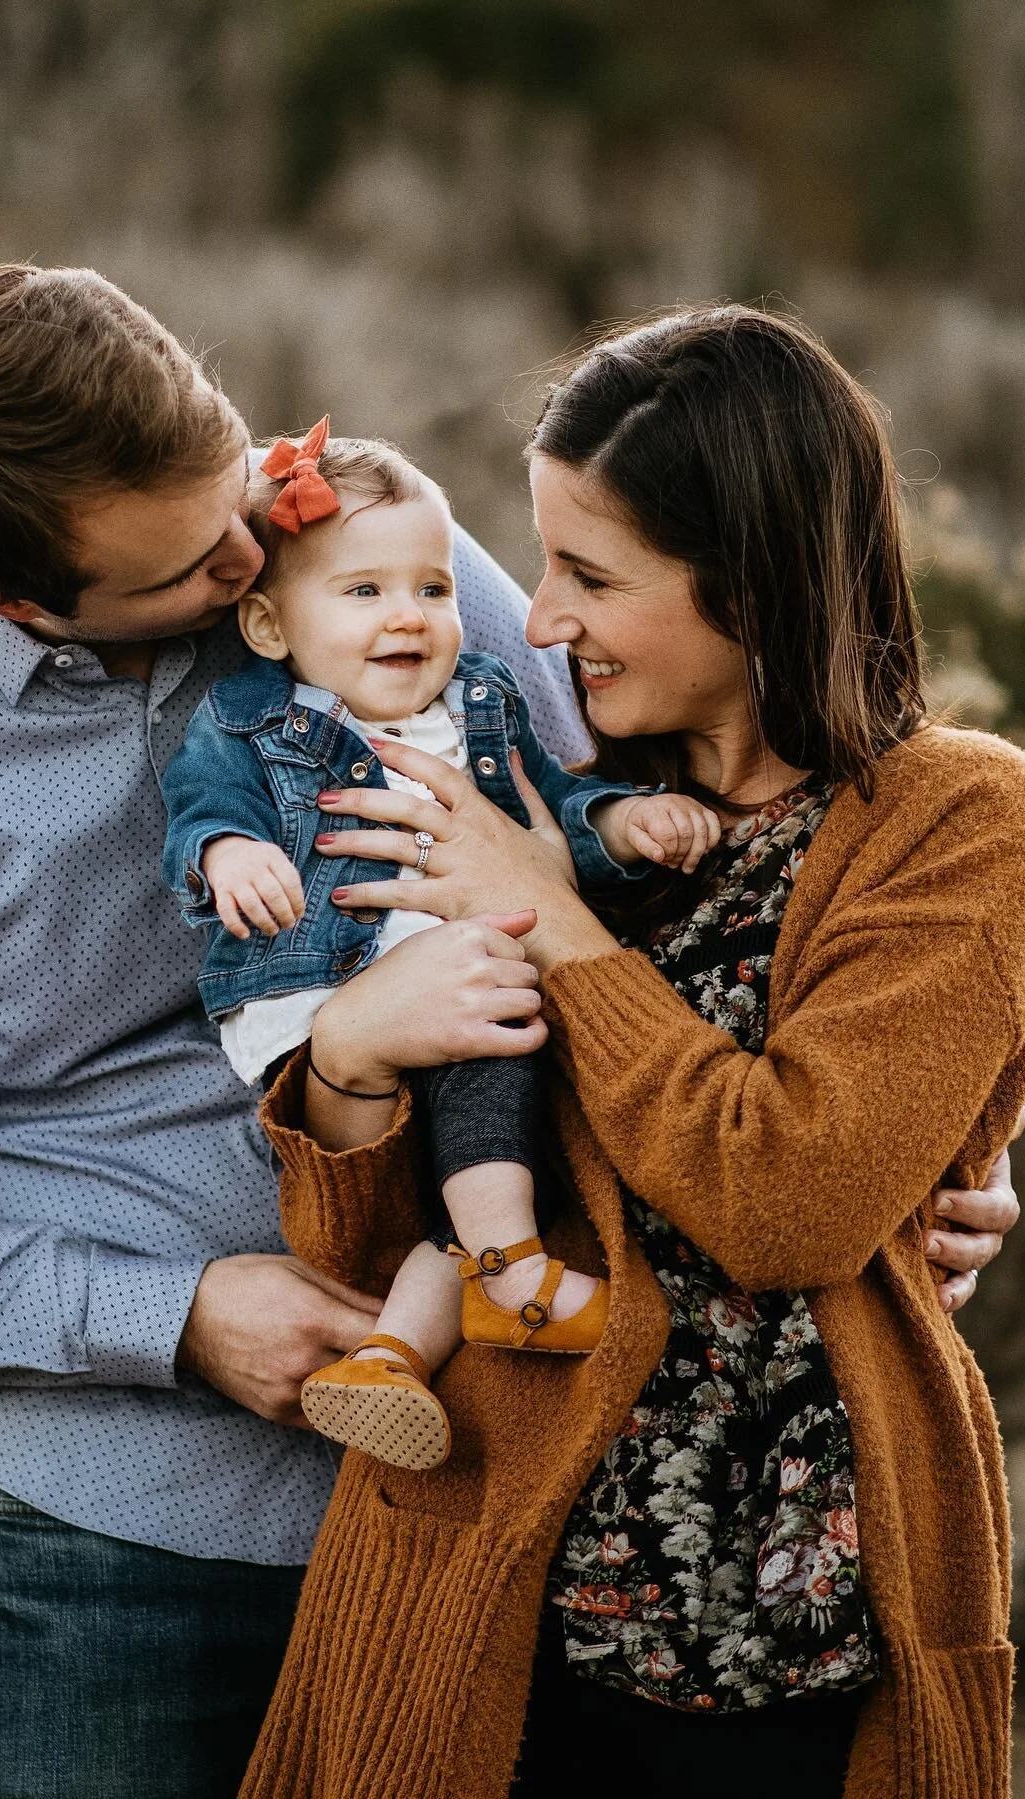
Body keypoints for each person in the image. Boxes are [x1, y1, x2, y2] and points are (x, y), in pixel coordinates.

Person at [0, 268, 1020, 1799]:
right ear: (18, 596)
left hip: (507, 1483)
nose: (252, 547)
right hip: (123, 1539)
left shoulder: (347, 539)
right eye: (195, 565)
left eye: (240, 484)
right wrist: (176, 1317)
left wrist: (927, 1128)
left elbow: (676, 799)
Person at [237, 307, 1025, 1799]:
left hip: (791, 1635)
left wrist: (555, 923)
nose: (541, 620)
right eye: (543, 563)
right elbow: (370, 1249)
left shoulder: (952, 817)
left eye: (592, 575)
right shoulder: (543, 784)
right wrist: (347, 1054)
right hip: (482, 1586)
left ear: (751, 582)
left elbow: (792, 1200)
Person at [163, 421, 722, 1470]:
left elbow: (549, 813)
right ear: (271, 626)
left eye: (434, 587)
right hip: (321, 988)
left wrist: (618, 824)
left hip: (464, 986)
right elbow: (201, 812)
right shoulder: (249, 722)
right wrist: (230, 855)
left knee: (468, 1147)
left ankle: (391, 1354)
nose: (408, 615)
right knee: (492, 1042)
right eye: (364, 592)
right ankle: (513, 1272)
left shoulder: (484, 702)